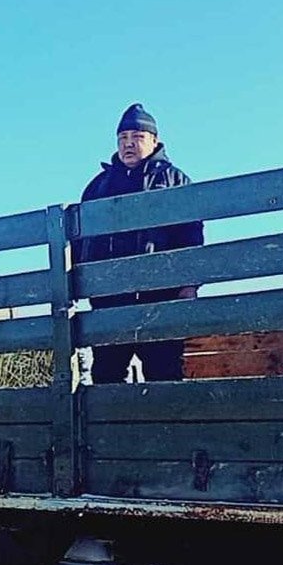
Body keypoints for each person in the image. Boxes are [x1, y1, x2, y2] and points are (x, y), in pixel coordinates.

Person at [73, 103, 204, 383]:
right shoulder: (97, 188)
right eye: (123, 138)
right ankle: (112, 429)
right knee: (106, 376)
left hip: (160, 298)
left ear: (154, 141)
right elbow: (80, 242)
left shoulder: (174, 180)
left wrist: (190, 284)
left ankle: (163, 428)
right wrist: (80, 285)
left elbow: (191, 235)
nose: (128, 144)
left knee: (163, 373)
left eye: (137, 137)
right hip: (110, 302)